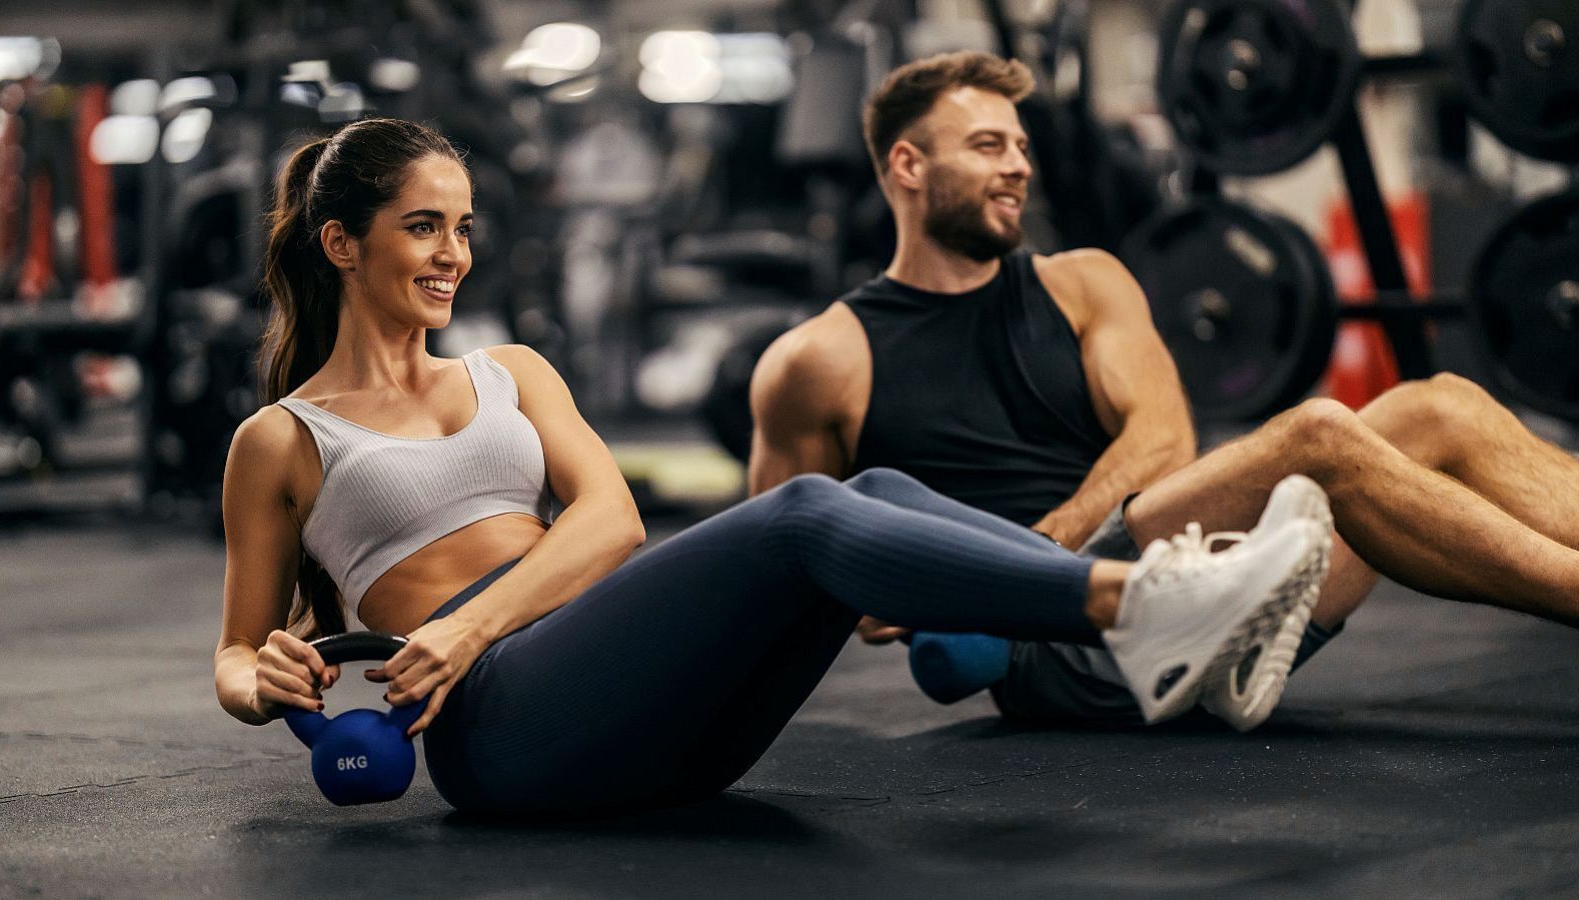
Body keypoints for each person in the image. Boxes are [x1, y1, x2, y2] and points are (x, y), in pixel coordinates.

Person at [212, 117, 1331, 818]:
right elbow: (232, 655)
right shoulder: (285, 440)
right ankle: (1147, 608)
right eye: (422, 227)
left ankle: (1154, 627)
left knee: (868, 498)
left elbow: (609, 526)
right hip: (504, 738)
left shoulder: (512, 372)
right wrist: (261, 684)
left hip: (653, 717)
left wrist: (468, 622)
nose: (454, 253)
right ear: (343, 244)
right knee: (803, 513)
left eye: (461, 226)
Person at [748, 51, 1579, 732]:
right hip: (1056, 649)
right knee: (1318, 436)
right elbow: (787, 571)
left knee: (1438, 404)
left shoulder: (1081, 284)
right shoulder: (819, 360)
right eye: (988, 146)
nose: (1018, 168)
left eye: (1022, 148)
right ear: (907, 163)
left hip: (1171, 570)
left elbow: (1162, 443)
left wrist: (1037, 555)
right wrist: (956, 588)